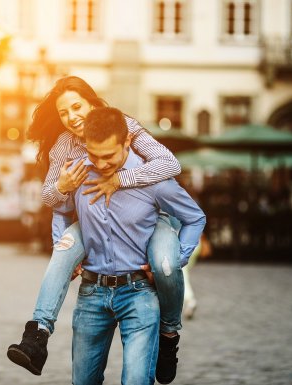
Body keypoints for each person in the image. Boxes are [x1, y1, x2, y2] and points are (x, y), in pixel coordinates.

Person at [7, 75, 186, 383]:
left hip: (143, 219)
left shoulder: (123, 126)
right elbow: (51, 198)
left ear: (92, 102)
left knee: (165, 265)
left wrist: (122, 180)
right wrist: (62, 185)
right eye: (64, 113)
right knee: (62, 251)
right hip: (92, 221)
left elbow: (169, 164)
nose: (71, 117)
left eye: (76, 107)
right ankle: (37, 336)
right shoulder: (64, 145)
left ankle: (169, 336)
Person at [62, 107, 205, 384]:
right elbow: (60, 210)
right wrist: (64, 250)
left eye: (108, 156)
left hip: (139, 293)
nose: (101, 164)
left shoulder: (152, 179)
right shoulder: (79, 172)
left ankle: (170, 333)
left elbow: (195, 217)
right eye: (94, 154)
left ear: (127, 141)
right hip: (91, 294)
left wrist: (177, 259)